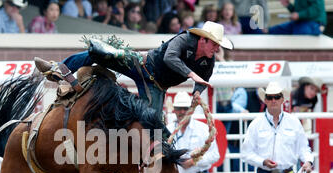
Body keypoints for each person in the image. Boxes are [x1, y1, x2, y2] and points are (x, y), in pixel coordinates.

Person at [34, 21, 233, 116]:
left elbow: (203, 81)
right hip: (142, 65)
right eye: (215, 44)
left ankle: (149, 171)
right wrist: (191, 75)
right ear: (204, 40)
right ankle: (59, 68)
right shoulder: (184, 39)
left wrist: (197, 93)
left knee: (153, 122)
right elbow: (170, 57)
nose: (217, 49)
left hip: (157, 87)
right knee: (99, 52)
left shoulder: (208, 60)